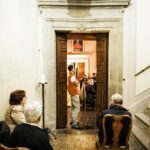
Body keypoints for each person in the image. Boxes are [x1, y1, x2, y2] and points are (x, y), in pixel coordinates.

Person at [67, 65, 81, 129]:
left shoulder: (69, 75)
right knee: (77, 107)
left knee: (73, 108)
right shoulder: (72, 76)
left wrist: (77, 81)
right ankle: (74, 123)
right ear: (72, 69)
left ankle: (72, 121)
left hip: (71, 93)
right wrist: (78, 81)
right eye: (73, 68)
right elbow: (76, 84)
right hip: (74, 93)